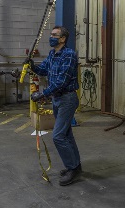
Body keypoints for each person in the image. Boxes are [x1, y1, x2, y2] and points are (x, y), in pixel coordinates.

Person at [29, 25, 82, 186]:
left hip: (67, 99)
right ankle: (75, 166)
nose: (51, 37)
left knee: (58, 136)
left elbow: (62, 81)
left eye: (54, 35)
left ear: (63, 38)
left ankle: (72, 168)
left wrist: (42, 94)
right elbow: (43, 70)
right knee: (66, 134)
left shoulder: (69, 55)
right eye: (51, 34)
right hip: (57, 99)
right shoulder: (52, 54)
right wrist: (32, 65)